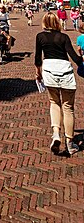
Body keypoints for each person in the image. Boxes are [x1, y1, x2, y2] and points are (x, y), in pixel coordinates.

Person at [35, 12, 83, 156]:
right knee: (68, 107)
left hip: (49, 71)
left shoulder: (40, 37)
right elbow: (74, 57)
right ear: (57, 22)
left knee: (54, 103)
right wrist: (81, 61)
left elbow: (38, 57)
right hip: (64, 72)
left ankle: (56, 133)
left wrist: (38, 72)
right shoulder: (64, 37)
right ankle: (70, 142)